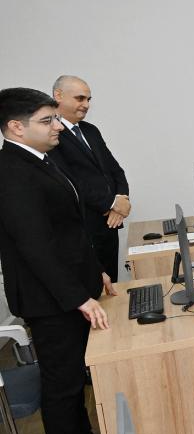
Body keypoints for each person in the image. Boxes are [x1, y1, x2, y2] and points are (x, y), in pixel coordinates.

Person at [0, 87, 115, 434]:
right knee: (62, 381)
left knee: (72, 377)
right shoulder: (12, 172)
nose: (58, 127)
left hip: (65, 289)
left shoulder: (39, 161)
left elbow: (69, 231)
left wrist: (95, 272)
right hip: (48, 299)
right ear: (16, 127)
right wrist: (78, 297)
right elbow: (36, 247)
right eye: (47, 121)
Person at [47, 75, 131, 282]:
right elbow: (69, 180)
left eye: (88, 99)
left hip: (109, 224)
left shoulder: (90, 130)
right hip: (84, 227)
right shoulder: (50, 135)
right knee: (93, 287)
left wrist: (122, 199)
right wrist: (112, 204)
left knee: (112, 284)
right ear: (58, 96)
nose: (86, 105)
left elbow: (115, 171)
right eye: (80, 98)